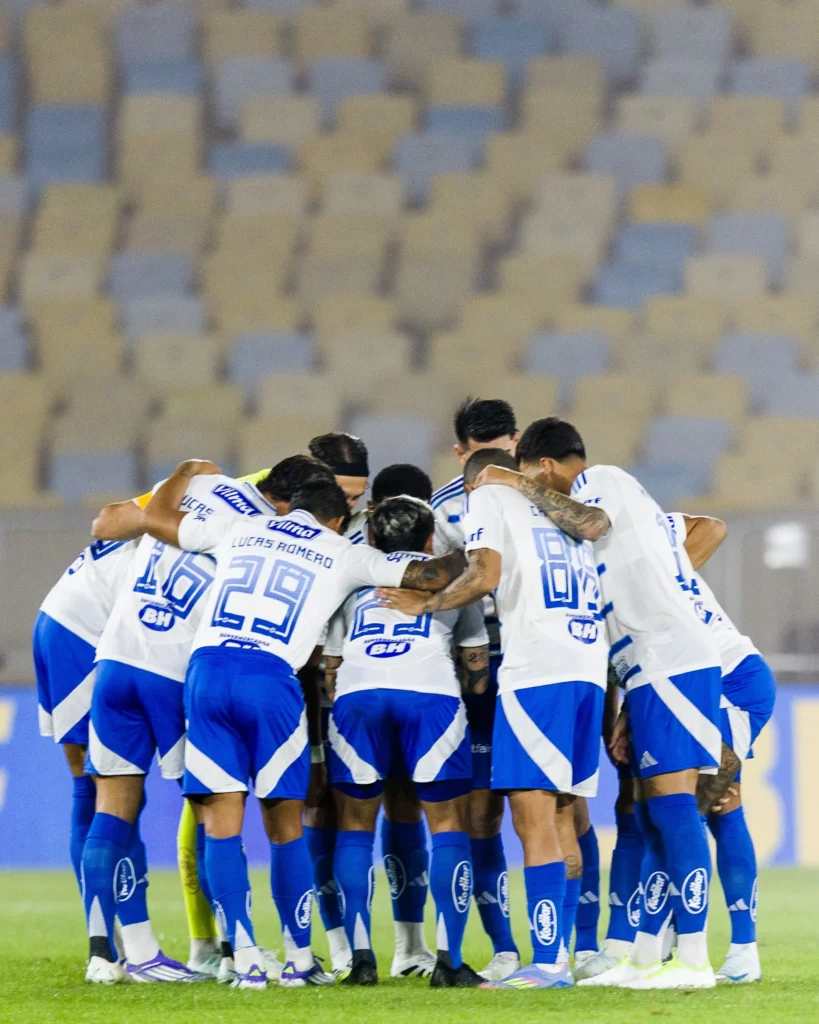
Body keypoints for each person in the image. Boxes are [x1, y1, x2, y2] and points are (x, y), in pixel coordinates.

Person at [126, 468, 466, 990]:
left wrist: (184, 472)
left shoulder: (241, 527)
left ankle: (243, 958)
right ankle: (299, 960)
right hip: (271, 679)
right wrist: (467, 552)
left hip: (207, 671)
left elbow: (154, 518)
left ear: (289, 506)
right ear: (338, 519)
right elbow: (430, 576)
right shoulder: (343, 551)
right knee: (285, 825)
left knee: (220, 824)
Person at [476, 418, 724, 990]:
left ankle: (694, 958)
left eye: (534, 478)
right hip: (642, 670)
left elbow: (593, 522)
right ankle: (643, 956)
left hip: (674, 658)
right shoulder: (577, 534)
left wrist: (511, 481)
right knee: (648, 815)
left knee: (674, 808)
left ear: (544, 466)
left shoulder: (601, 482)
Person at [379, 447, 608, 990]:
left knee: (532, 819)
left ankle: (547, 963)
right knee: (562, 814)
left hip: (536, 672)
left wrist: (423, 605)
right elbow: (597, 524)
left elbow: (484, 575)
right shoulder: (557, 512)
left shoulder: (486, 497)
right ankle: (566, 953)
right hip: (587, 666)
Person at [80, 461, 291, 984]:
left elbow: (107, 524)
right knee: (212, 811)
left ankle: (102, 956)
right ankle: (233, 950)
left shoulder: (196, 486)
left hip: (115, 662)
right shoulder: (263, 529)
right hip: (174, 674)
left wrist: (182, 473)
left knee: (111, 809)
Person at [325, 495, 490, 988]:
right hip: (429, 694)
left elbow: (330, 666)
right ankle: (449, 962)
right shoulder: (455, 585)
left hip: (358, 693)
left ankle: (360, 960)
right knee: (448, 826)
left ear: (372, 538)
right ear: (429, 539)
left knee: (355, 827)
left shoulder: (353, 581)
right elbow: (477, 669)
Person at [429, 398, 522, 981]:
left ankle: (586, 946)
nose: (491, 467)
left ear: (519, 443)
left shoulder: (551, 496)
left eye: (503, 453)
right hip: (480, 665)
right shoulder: (444, 508)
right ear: (460, 452)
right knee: (482, 814)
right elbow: (439, 577)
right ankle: (505, 948)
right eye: (479, 456)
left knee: (565, 807)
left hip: (547, 660)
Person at [665, 512, 776, 984]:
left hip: (732, 683)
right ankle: (682, 939)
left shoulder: (640, 527)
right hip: (691, 688)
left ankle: (736, 949)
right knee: (686, 811)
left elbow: (713, 526)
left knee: (710, 806)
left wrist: (668, 582)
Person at [33, 533, 138, 926]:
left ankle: (110, 933)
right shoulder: (208, 528)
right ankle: (113, 933)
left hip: (59, 620)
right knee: (107, 788)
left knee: (96, 788)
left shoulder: (153, 517)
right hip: (80, 634)